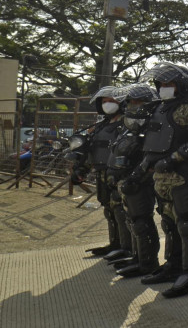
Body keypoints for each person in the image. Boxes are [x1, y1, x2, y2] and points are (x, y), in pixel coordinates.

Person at [137, 63, 188, 297]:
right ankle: (173, 265)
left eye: (168, 84)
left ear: (181, 85)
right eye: (160, 85)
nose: (163, 88)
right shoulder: (161, 107)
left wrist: (176, 157)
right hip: (161, 176)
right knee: (169, 223)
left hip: (184, 175)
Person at [113, 84, 164, 279]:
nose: (136, 106)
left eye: (140, 102)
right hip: (129, 177)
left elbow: (153, 153)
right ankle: (138, 257)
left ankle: (147, 262)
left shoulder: (155, 124)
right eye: (132, 102)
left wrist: (139, 174)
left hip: (144, 178)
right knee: (132, 220)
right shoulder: (130, 124)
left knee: (142, 221)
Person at [76, 85, 132, 259]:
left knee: (120, 211)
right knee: (109, 210)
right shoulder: (101, 126)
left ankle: (126, 247)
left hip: (119, 174)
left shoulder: (128, 123)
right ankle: (114, 244)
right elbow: (91, 150)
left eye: (112, 101)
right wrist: (81, 170)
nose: (108, 104)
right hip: (101, 173)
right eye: (105, 102)